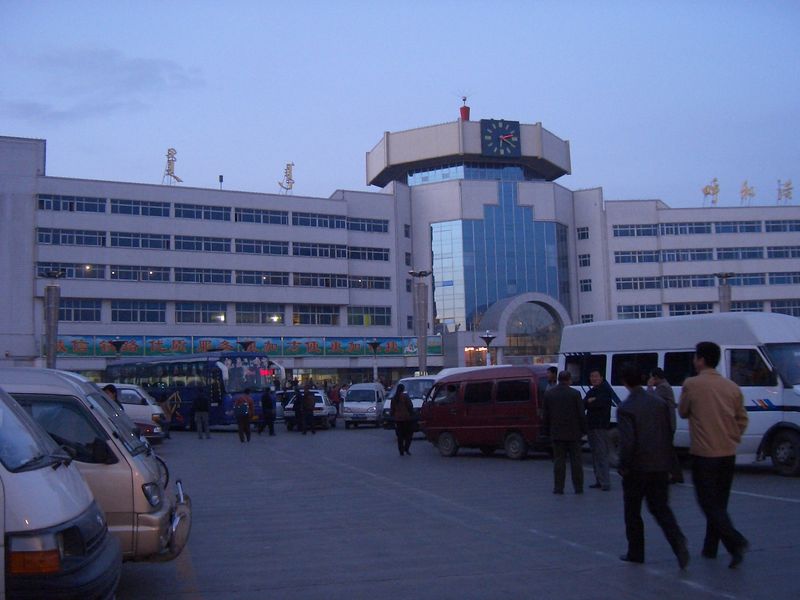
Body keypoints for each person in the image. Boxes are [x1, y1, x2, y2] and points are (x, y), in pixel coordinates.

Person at [679, 341, 749, 568]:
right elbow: (742, 419)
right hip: (728, 452)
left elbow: (683, 411)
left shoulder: (692, 384)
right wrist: (732, 438)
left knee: (707, 502)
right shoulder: (731, 387)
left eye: (695, 357)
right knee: (720, 502)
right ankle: (711, 548)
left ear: (700, 360)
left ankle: (735, 541)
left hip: (704, 453)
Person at [617, 362, 689, 569]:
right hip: (659, 465)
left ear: (624, 382)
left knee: (632, 512)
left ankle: (636, 552)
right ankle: (678, 542)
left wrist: (623, 465)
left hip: (637, 468)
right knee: (661, 509)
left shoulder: (625, 408)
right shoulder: (658, 403)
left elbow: (628, 442)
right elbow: (667, 432)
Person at [542, 371, 586, 494]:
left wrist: (545, 431)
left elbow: (545, 415)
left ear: (558, 379)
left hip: (557, 433)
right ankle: (578, 487)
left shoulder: (549, 394)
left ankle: (558, 487)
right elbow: (581, 414)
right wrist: (584, 430)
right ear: (569, 380)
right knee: (576, 462)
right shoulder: (575, 394)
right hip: (574, 433)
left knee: (559, 462)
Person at [647, 368, 683, 483]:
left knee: (665, 451)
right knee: (669, 451)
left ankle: (671, 475)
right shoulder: (665, 386)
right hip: (668, 423)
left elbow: (652, 400)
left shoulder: (662, 388)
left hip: (665, 425)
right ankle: (676, 475)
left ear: (655, 377)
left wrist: (649, 386)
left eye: (651, 377)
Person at [584, 370, 616, 491]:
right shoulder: (592, 391)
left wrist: (590, 402)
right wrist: (589, 401)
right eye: (592, 376)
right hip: (591, 426)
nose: (594, 378)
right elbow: (584, 403)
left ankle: (605, 482)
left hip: (600, 426)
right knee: (595, 454)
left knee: (601, 454)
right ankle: (599, 480)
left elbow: (600, 404)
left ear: (601, 377)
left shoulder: (605, 390)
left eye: (596, 376)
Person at [391, 383, 415, 456]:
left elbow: (392, 409)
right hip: (406, 419)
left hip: (398, 419)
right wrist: (412, 414)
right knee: (409, 435)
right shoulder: (405, 396)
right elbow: (410, 406)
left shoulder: (394, 398)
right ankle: (406, 448)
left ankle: (401, 451)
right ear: (403, 389)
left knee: (400, 436)